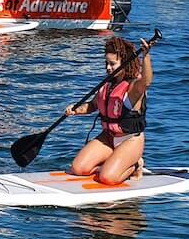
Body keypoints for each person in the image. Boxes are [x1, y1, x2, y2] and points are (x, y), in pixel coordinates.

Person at [65, 35, 152, 185]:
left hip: (130, 140)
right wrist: (76, 110)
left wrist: (146, 56)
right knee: (78, 169)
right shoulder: (106, 85)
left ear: (125, 63)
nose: (108, 67)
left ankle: (135, 165)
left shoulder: (133, 88)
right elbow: (92, 106)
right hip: (108, 137)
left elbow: (147, 81)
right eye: (106, 63)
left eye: (112, 64)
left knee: (107, 178)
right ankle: (112, 162)